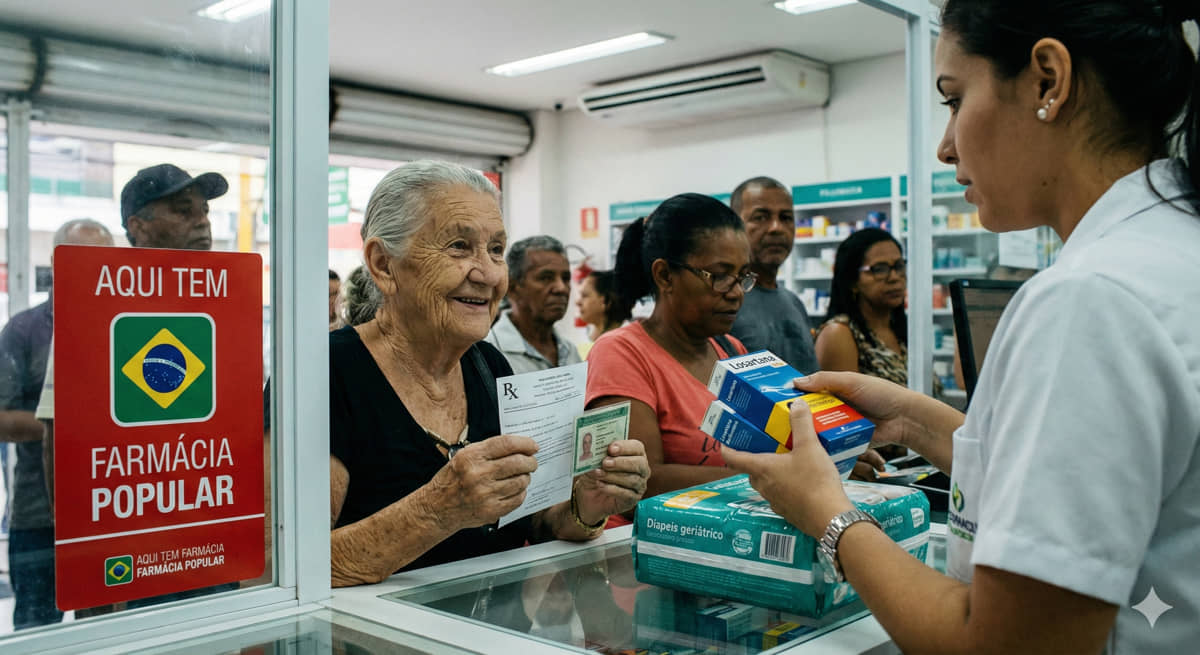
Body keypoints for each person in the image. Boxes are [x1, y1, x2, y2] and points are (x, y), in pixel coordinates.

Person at [722, 2, 1200, 653]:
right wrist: (917, 420)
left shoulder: (1091, 299)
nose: (946, 145)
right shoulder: (1170, 246)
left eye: (954, 98)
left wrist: (828, 513)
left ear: (1047, 81)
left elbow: (998, 645)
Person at [328, 160, 649, 586]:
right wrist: (438, 509)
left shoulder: (488, 366)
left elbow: (531, 520)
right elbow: (286, 564)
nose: (490, 274)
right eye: (459, 246)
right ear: (384, 264)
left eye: (496, 250)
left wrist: (587, 503)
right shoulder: (328, 374)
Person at [38, 164, 232, 611]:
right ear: (138, 228)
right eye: (183, 210)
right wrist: (80, 547)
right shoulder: (92, 308)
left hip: (205, 535)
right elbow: (57, 434)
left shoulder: (224, 306)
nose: (201, 221)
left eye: (204, 211)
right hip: (127, 542)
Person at [586, 193, 755, 500]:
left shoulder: (732, 350)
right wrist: (767, 475)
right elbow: (637, 483)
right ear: (664, 275)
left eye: (742, 276)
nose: (736, 293)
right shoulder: (622, 354)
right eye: (718, 276)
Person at [0, 219, 112, 630]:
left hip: (110, 511)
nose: (95, 267)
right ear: (55, 262)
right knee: (37, 630)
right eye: (81, 258)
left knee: (107, 630)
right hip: (39, 515)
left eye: (104, 258)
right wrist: (62, 426)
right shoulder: (25, 331)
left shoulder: (128, 321)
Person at [728, 176, 819, 373]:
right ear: (734, 225)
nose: (776, 228)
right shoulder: (723, 301)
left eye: (786, 218)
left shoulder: (794, 302)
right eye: (761, 217)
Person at [814, 228, 912, 386]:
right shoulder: (839, 333)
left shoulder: (901, 328)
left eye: (899, 266)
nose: (894, 277)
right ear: (852, 282)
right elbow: (843, 408)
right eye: (879, 269)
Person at [486, 236, 582, 373]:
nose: (561, 288)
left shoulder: (570, 352)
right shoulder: (489, 354)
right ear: (512, 288)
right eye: (546, 278)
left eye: (566, 278)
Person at [574, 269, 628, 359]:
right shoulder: (577, 347)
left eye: (584, 295)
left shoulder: (626, 345)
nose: (577, 302)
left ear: (606, 301)